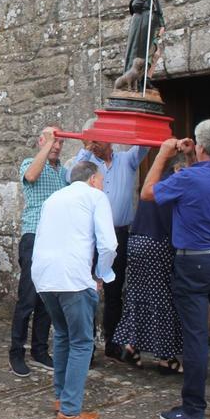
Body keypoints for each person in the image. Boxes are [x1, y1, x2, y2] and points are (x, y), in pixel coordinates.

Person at [141, 119, 210, 419]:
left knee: (196, 336)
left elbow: (148, 193)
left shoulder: (189, 178)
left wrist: (162, 154)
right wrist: (191, 157)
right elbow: (202, 179)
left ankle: (193, 409)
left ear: (201, 147)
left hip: (195, 262)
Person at [32, 161, 115, 419]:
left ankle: (61, 398)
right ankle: (69, 411)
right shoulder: (95, 196)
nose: (103, 184)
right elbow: (108, 243)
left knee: (63, 335)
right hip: (73, 278)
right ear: (93, 179)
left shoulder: (53, 198)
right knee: (81, 342)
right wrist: (102, 274)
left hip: (44, 277)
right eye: (102, 179)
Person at [75, 140, 149, 361]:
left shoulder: (127, 159)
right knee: (87, 290)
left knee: (115, 292)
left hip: (119, 234)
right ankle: (85, 348)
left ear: (109, 140)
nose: (95, 146)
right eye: (92, 142)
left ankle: (112, 343)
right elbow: (71, 177)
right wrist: (85, 149)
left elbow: (144, 146)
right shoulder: (87, 163)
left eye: (98, 141)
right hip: (92, 236)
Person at [112, 154, 186, 374]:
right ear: (177, 168)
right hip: (158, 243)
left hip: (136, 241)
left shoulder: (155, 181)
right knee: (162, 299)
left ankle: (131, 345)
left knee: (137, 297)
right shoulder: (172, 185)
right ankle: (165, 357)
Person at [9, 126, 67, 377]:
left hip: (56, 237)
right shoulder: (28, 163)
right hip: (34, 235)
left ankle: (40, 350)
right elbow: (31, 177)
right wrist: (46, 147)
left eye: (59, 142)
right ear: (40, 141)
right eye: (51, 140)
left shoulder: (64, 172)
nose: (56, 145)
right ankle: (16, 351)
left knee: (48, 297)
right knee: (28, 297)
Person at [124, 0, 165, 81]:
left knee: (155, 53)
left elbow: (158, 11)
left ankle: (146, 78)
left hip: (152, 25)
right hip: (143, 23)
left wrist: (162, 25)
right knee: (141, 53)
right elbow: (135, 5)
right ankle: (137, 79)